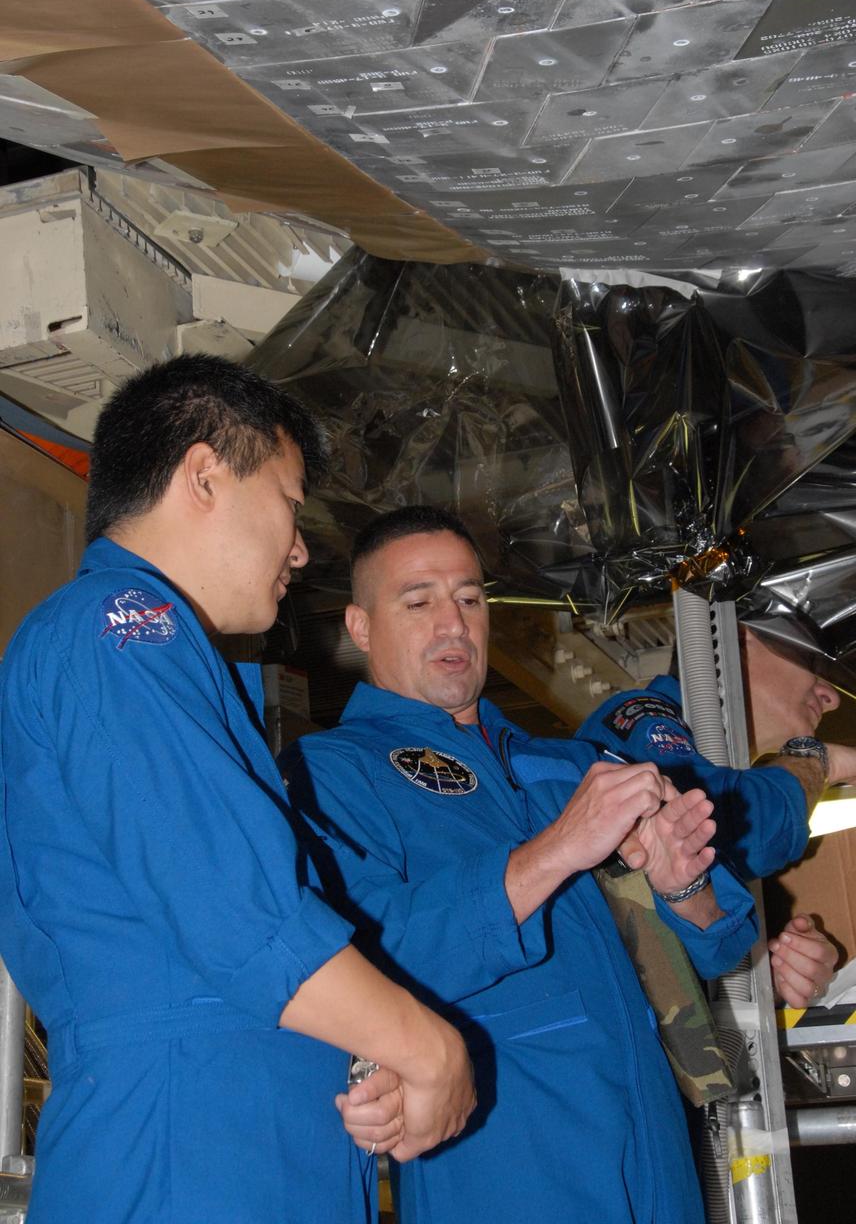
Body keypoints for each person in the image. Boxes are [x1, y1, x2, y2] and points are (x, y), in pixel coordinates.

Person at [0, 358, 475, 1224]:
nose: (300, 547)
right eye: (291, 503)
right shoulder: (114, 629)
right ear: (204, 474)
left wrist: (361, 1048)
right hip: (181, 1149)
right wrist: (421, 1042)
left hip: (228, 1139)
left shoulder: (169, 662)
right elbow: (233, 906)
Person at [281, 505, 759, 1224]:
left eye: (470, 598)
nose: (454, 623)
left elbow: (722, 939)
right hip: (504, 1160)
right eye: (419, 601)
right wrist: (559, 847)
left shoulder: (569, 763)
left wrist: (682, 882)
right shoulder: (332, 771)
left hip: (654, 1150)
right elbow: (362, 956)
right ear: (360, 627)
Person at [577, 624, 849, 1004]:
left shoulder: (739, 785)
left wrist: (776, 970)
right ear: (732, 639)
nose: (830, 696)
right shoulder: (640, 717)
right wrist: (820, 761)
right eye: (812, 661)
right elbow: (728, 826)